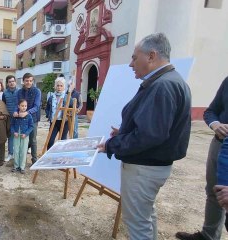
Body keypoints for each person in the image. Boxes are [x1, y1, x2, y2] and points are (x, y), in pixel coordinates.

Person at [97, 33, 191, 240]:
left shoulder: (162, 85)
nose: (131, 64)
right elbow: (154, 126)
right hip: (151, 165)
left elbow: (149, 136)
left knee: (138, 224)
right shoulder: (168, 81)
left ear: (151, 56)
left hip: (144, 168)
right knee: (146, 217)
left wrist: (112, 144)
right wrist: (124, 132)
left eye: (134, 57)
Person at [176, 76, 228, 240]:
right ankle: (209, 235)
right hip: (219, 145)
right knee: (214, 192)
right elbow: (211, 111)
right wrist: (215, 124)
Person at [17, 73, 41, 164]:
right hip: (21, 119)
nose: (29, 82)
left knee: (33, 140)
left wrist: (27, 112)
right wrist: (16, 111)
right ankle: (21, 159)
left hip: (33, 119)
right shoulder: (19, 92)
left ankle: (34, 160)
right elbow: (18, 104)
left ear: (33, 81)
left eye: (31, 81)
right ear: (23, 81)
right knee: (22, 138)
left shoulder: (37, 91)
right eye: (27, 81)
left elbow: (37, 106)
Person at [45, 77, 73, 149]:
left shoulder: (67, 97)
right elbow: (47, 108)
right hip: (54, 121)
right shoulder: (51, 97)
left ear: (64, 87)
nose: (59, 87)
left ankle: (60, 156)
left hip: (64, 122)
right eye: (57, 85)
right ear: (55, 86)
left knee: (62, 141)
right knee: (50, 140)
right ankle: (49, 155)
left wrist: (70, 114)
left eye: (61, 86)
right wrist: (48, 115)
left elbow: (72, 108)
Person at [10, 99, 33, 174]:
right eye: (22, 106)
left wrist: (26, 134)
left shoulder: (28, 115)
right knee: (16, 150)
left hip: (24, 136)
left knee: (23, 150)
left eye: (25, 106)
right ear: (18, 106)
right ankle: (16, 166)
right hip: (16, 135)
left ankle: (22, 167)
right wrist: (14, 132)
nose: (24, 107)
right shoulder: (15, 115)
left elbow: (31, 126)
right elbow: (12, 125)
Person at [2, 75, 19, 162]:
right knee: (10, 137)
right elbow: (3, 105)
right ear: (7, 83)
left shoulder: (20, 91)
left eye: (13, 81)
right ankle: (10, 154)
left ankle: (18, 154)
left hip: (19, 118)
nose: (11, 83)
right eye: (10, 82)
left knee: (19, 136)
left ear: (15, 82)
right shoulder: (5, 93)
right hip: (9, 118)